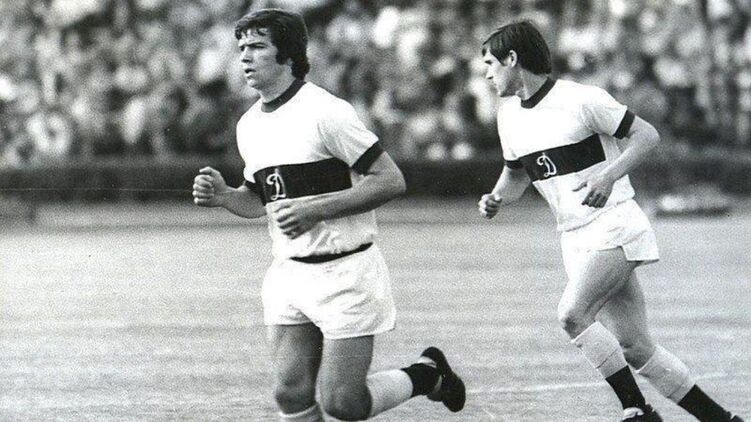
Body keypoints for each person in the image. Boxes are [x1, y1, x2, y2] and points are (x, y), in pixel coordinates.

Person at [192, 9, 464, 422]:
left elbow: (390, 180)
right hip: (289, 272)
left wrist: (315, 209)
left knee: (343, 403)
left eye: (258, 47)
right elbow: (260, 199)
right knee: (290, 394)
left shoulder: (325, 111)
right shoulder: (249, 124)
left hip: (345, 272)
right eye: (242, 47)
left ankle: (427, 375)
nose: (244, 57)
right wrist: (227, 197)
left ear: (287, 55)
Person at [477, 20, 744, 422]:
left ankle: (637, 411)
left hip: (614, 222)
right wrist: (496, 198)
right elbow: (516, 176)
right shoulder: (508, 116)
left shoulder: (580, 99)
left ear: (512, 59)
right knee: (636, 348)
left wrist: (608, 175)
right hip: (573, 237)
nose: (486, 73)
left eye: (490, 63)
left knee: (572, 315)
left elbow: (647, 136)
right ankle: (722, 420)